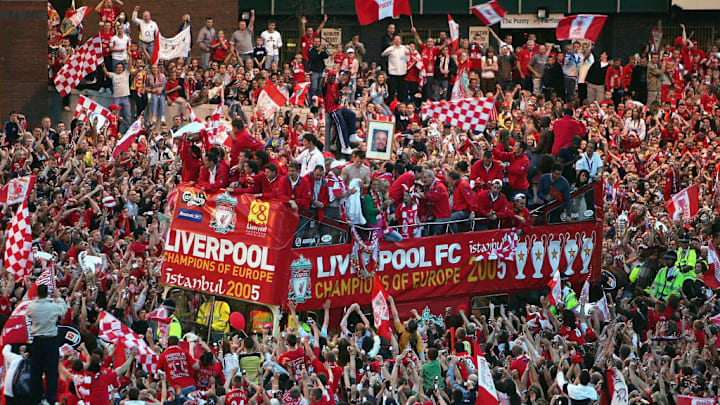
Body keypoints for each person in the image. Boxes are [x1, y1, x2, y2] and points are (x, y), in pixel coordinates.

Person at [25, 284, 69, 405]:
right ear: (47, 293)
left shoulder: (32, 306)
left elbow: (28, 313)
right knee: (51, 371)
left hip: (37, 341)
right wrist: (58, 297)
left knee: (36, 371)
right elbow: (63, 309)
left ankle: (36, 398)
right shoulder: (53, 306)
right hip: (50, 341)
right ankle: (50, 398)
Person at [381, 35, 410, 103]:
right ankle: (391, 103)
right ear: (393, 41)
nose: (397, 40)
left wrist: (409, 48)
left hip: (402, 72)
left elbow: (411, 53)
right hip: (393, 72)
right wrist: (389, 51)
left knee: (401, 90)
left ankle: (401, 103)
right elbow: (382, 54)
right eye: (396, 39)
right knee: (392, 89)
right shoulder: (391, 48)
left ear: (401, 40)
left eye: (398, 39)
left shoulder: (404, 48)